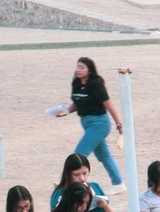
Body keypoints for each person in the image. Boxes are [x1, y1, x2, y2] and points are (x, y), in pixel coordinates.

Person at [52, 55, 123, 185]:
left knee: (79, 154)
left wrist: (119, 124)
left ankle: (66, 183)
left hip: (100, 124)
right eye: (77, 67)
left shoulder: (96, 84)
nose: (78, 70)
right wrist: (64, 112)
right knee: (104, 156)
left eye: (82, 67)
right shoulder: (76, 83)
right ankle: (118, 183)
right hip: (87, 123)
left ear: (89, 70)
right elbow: (77, 104)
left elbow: (109, 105)